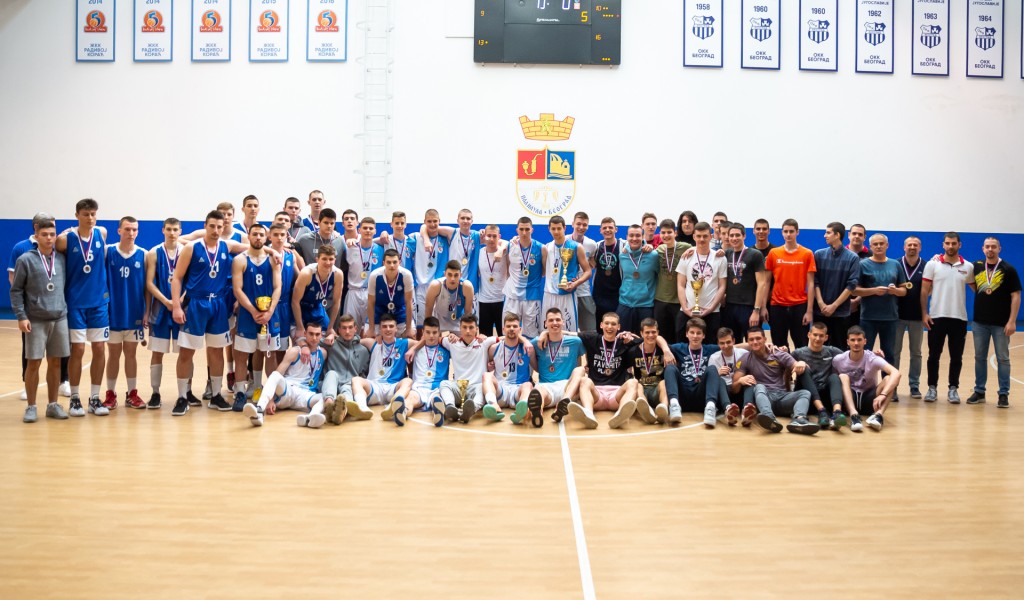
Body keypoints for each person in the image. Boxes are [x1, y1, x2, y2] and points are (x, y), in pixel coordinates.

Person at [170, 210, 250, 416]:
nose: (216, 230)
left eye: (219, 227)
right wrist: (177, 306)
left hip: (218, 304)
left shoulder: (227, 245)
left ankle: (216, 395)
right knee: (187, 352)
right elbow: (177, 278)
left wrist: (275, 251)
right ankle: (182, 397)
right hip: (195, 304)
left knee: (216, 351)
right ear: (205, 226)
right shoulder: (192, 247)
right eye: (212, 226)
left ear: (224, 228)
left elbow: (252, 247)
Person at [10, 216, 70, 423]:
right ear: (36, 236)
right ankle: (31, 406)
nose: (49, 238)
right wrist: (21, 316)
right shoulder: (25, 259)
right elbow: (16, 290)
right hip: (35, 319)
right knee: (33, 363)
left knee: (55, 363)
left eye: (52, 234)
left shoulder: (62, 259)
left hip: (59, 318)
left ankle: (53, 405)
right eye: (44, 235)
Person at [55, 198, 110, 416]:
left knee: (99, 349)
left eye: (93, 214)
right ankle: (75, 398)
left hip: (99, 302)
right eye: (86, 214)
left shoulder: (102, 233)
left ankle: (95, 398)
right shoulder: (65, 240)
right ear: (77, 215)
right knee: (77, 349)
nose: (90, 218)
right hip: (75, 302)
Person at [230, 224, 282, 411]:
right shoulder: (240, 260)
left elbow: (278, 287)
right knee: (242, 355)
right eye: (255, 234)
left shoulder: (273, 259)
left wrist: (269, 311)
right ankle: (240, 393)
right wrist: (253, 311)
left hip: (270, 314)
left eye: (261, 234)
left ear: (266, 237)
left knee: (270, 354)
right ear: (249, 236)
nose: (258, 237)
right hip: (247, 314)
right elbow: (237, 289)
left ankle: (268, 393)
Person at [920, 232, 975, 403]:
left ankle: (953, 389)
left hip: (959, 318)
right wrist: (924, 313)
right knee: (933, 355)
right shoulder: (932, 264)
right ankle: (932, 388)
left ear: (960, 245)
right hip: (936, 317)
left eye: (954, 243)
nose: (950, 246)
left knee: (956, 357)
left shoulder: (968, 267)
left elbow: (977, 290)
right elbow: (924, 291)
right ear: (943, 244)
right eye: (948, 243)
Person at [731, 328, 819, 435]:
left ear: (765, 339)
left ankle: (799, 419)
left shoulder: (777, 354)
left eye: (758, 338)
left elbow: (796, 365)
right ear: (748, 342)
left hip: (782, 397)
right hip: (764, 398)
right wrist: (740, 381)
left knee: (805, 393)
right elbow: (734, 389)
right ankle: (768, 417)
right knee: (759, 386)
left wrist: (800, 363)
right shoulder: (745, 359)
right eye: (751, 339)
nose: (755, 342)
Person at [241, 322, 328, 429]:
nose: (314, 338)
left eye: (317, 334)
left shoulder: (323, 353)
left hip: (306, 395)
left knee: (326, 397)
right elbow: (278, 373)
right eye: (311, 334)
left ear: (321, 335)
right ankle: (259, 410)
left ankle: (310, 418)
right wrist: (271, 400)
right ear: (305, 334)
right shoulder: (295, 351)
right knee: (275, 375)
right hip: (288, 390)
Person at [967, 237, 1021, 408]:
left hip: (1001, 324)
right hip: (979, 322)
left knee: (1003, 359)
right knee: (979, 357)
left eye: (993, 247)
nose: (990, 249)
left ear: (999, 249)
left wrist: (1012, 321)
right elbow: (971, 282)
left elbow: (1016, 296)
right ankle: (979, 391)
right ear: (983, 249)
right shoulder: (976, 266)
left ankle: (1003, 394)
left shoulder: (1008, 269)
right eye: (987, 247)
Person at [104, 216, 148, 409]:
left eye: (134, 229)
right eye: (127, 229)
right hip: (112, 313)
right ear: (119, 231)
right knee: (113, 354)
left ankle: (132, 393)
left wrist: (146, 312)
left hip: (134, 313)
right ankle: (110, 393)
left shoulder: (144, 255)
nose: (131, 233)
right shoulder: (108, 251)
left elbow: (147, 287)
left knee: (131, 354)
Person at [571, 314, 642, 429]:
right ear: (601, 325)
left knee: (633, 382)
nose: (610, 326)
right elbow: (569, 334)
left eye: (613, 324)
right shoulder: (593, 338)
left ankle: (620, 415)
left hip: (616, 395)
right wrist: (546, 333)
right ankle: (589, 415)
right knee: (584, 381)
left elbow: (645, 340)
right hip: (596, 395)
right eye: (607, 323)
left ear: (619, 327)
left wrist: (630, 335)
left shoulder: (624, 342)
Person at [144, 217, 183, 409]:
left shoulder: (187, 251)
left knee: (185, 352)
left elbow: (192, 281)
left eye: (175, 229)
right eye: (169, 229)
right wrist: (167, 301)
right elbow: (149, 283)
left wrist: (178, 302)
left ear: (180, 231)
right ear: (163, 230)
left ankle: (185, 393)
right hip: (160, 309)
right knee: (157, 352)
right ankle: (155, 393)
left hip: (181, 309)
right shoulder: (154, 253)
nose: (172, 233)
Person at [526, 308, 586, 427]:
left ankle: (564, 402)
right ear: (545, 323)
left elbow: (579, 362)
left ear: (563, 322)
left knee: (580, 370)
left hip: (567, 386)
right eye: (551, 320)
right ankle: (537, 412)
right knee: (538, 394)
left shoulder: (575, 342)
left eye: (558, 320)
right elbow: (535, 366)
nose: (555, 323)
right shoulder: (536, 343)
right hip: (546, 385)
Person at [833, 326, 901, 432]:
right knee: (842, 377)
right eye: (853, 340)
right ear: (848, 342)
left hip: (870, 400)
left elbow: (896, 373)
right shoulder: (838, 360)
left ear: (865, 341)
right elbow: (833, 382)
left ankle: (878, 415)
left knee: (889, 379)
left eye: (859, 340)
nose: (856, 343)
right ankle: (854, 416)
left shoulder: (873, 358)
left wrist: (883, 394)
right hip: (850, 399)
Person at [434, 315, 499, 423]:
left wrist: (524, 341)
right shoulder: (452, 342)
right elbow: (434, 338)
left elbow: (505, 338)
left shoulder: (483, 342)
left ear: (476, 329)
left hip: (476, 387)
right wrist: (450, 335)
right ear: (460, 328)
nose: (468, 331)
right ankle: (450, 407)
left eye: (471, 327)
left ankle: (471, 410)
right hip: (458, 387)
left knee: (483, 389)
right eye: (464, 327)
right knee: (443, 384)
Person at [347, 313, 413, 419]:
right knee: (356, 380)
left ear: (396, 328)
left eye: (391, 326)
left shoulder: (404, 343)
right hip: (375, 386)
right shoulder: (373, 343)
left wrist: (413, 349)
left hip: (393, 387)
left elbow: (424, 342)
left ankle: (394, 405)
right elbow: (351, 341)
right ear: (380, 329)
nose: (388, 329)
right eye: (384, 326)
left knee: (408, 381)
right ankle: (362, 408)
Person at [854, 234, 907, 365]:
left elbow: (903, 291)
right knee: (865, 353)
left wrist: (895, 291)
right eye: (875, 244)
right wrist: (874, 291)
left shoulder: (895, 264)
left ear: (887, 245)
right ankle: (864, 379)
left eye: (881, 244)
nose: (878, 246)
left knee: (889, 354)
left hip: (890, 318)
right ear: (870, 246)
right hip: (868, 318)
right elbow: (854, 290)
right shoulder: (862, 265)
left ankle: (889, 379)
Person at [764, 218, 816, 349]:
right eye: (785, 231)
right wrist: (763, 306)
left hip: (799, 305)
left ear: (797, 232)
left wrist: (809, 311)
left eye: (791, 231)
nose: (788, 234)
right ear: (782, 233)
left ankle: (799, 363)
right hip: (777, 305)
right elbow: (767, 281)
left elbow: (811, 284)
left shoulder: (807, 254)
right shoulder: (774, 253)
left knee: (801, 345)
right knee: (778, 345)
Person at [663, 318, 721, 427]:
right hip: (683, 396)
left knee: (712, 369)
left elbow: (730, 347)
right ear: (686, 334)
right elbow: (658, 338)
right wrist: (666, 351)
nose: (695, 336)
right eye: (692, 332)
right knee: (670, 368)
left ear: (703, 335)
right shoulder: (679, 348)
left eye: (699, 333)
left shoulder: (710, 349)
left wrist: (753, 345)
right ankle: (674, 405)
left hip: (701, 395)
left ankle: (710, 408)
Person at [482, 312, 537, 425]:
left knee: (528, 385)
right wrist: (489, 367)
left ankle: (520, 411)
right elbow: (487, 367)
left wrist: (531, 352)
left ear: (520, 329)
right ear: (503, 329)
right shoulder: (494, 349)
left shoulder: (527, 348)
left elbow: (537, 368)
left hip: (518, 391)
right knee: (486, 376)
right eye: (508, 326)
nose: (511, 329)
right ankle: (493, 406)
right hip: (501, 391)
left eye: (515, 326)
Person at [394, 317, 450, 427]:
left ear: (439, 333)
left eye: (434, 332)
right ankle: (402, 412)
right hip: (419, 388)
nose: (431, 336)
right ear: (423, 332)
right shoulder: (415, 347)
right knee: (410, 399)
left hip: (438, 388)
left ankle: (438, 413)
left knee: (437, 398)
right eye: (428, 332)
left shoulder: (446, 349)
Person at [676, 222, 727, 341]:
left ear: (711, 236)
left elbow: (722, 286)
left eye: (705, 236)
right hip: (688, 311)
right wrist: (685, 308)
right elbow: (680, 284)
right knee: (683, 345)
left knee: (711, 347)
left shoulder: (720, 258)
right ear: (694, 237)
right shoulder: (686, 256)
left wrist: (711, 308)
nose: (701, 239)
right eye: (698, 236)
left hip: (712, 312)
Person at [791, 322, 848, 431]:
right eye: (815, 335)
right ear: (809, 335)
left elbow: (851, 357)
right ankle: (821, 411)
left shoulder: (831, 351)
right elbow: (783, 366)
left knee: (834, 377)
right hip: (807, 396)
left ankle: (837, 413)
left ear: (826, 337)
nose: (817, 338)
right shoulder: (798, 353)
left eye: (821, 336)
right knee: (804, 369)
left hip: (824, 395)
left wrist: (875, 356)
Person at [813, 222, 860, 349]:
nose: (825, 235)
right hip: (820, 311)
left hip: (841, 313)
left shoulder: (853, 258)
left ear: (837, 235)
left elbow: (851, 285)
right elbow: (814, 281)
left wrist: (834, 306)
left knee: (839, 350)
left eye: (828, 233)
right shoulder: (819, 255)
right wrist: (821, 303)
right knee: (818, 349)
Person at [540, 216, 590, 333]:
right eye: (553, 229)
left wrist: (575, 284)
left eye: (559, 228)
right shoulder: (546, 247)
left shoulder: (576, 247)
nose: (556, 232)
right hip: (549, 295)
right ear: (549, 229)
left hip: (567, 294)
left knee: (570, 331)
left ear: (564, 228)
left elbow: (588, 272)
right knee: (547, 330)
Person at [320, 314, 371, 425]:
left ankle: (341, 412)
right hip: (331, 382)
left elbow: (364, 374)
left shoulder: (363, 351)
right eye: (344, 328)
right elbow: (307, 340)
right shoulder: (331, 344)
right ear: (339, 330)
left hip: (348, 384)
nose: (347, 331)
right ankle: (328, 405)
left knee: (348, 388)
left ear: (355, 329)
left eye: (350, 327)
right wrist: (329, 337)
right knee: (332, 373)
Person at [721, 222, 766, 343]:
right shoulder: (727, 254)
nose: (734, 238)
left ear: (744, 236)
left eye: (737, 235)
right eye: (731, 235)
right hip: (729, 306)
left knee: (754, 343)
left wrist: (756, 310)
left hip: (748, 307)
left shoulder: (755, 254)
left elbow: (762, 284)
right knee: (733, 343)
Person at [405, 209, 451, 328]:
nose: (432, 224)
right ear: (424, 222)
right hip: (421, 287)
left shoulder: (446, 238)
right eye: (429, 221)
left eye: (435, 221)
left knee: (439, 324)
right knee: (421, 324)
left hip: (439, 286)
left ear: (439, 221)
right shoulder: (416, 237)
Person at [893, 236, 925, 400]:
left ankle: (914, 385)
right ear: (904, 247)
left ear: (920, 247)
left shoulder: (926, 266)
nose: (912, 247)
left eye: (915, 245)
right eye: (909, 245)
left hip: (917, 316)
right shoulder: (895, 264)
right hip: (897, 316)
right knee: (894, 352)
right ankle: (893, 387)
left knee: (916, 353)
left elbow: (929, 288)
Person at [502, 217, 544, 338]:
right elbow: (507, 267)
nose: (524, 233)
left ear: (532, 230)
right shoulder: (510, 246)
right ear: (517, 230)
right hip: (512, 295)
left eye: (527, 229)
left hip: (532, 297)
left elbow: (544, 271)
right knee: (510, 331)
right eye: (521, 229)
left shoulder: (541, 248)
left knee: (532, 334)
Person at [291, 245, 345, 337]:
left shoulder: (338, 274)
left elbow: (337, 302)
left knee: (328, 337)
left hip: (316, 306)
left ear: (335, 260)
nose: (328, 262)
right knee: (300, 338)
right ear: (317, 260)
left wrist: (330, 327)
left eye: (331, 259)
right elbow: (295, 301)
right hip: (300, 307)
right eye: (324, 259)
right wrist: (300, 327)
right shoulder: (307, 273)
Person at [344, 217, 385, 333]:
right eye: (365, 228)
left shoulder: (380, 249)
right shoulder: (350, 248)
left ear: (375, 231)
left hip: (372, 292)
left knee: (370, 329)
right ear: (359, 230)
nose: (368, 230)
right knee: (350, 328)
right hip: (353, 291)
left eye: (371, 228)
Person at [618, 223, 660, 334]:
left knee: (644, 339)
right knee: (623, 338)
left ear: (642, 237)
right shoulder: (622, 255)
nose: (634, 238)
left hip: (645, 305)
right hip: (625, 303)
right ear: (627, 237)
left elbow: (660, 276)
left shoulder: (653, 255)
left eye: (637, 235)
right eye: (631, 235)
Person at [628, 318, 671, 425]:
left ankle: (664, 408)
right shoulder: (633, 352)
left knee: (664, 382)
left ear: (658, 332)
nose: (651, 335)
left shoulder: (664, 350)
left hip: (658, 390)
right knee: (637, 385)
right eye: (647, 332)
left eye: (653, 332)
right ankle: (647, 411)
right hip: (642, 390)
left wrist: (667, 350)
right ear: (641, 333)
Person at [653, 219, 689, 344]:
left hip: (678, 301)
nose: (666, 235)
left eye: (669, 232)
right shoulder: (659, 249)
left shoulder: (685, 247)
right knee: (662, 333)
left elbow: (700, 250)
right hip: (660, 299)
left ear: (675, 233)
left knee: (679, 333)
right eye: (663, 232)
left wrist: (694, 249)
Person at [707, 327, 750, 427]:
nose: (725, 346)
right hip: (724, 392)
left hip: (739, 389)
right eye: (722, 343)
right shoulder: (714, 357)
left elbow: (755, 346)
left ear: (734, 341)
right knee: (719, 380)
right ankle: (728, 409)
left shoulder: (743, 353)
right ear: (718, 344)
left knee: (750, 380)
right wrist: (717, 373)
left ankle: (747, 410)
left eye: (728, 342)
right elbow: (710, 381)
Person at [367, 248, 415, 337]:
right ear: (383, 263)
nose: (392, 265)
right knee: (368, 337)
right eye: (388, 262)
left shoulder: (406, 275)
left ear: (399, 262)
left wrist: (408, 329)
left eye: (394, 262)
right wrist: (371, 328)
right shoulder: (375, 276)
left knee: (411, 336)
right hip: (379, 313)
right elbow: (370, 303)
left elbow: (408, 302)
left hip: (400, 312)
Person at [425, 260, 475, 334]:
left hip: (458, 323)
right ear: (445, 274)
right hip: (439, 323)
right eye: (450, 275)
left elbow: (468, 313)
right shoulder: (436, 285)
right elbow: (428, 308)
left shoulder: (467, 287)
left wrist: (467, 331)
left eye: (456, 275)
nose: (452, 279)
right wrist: (427, 329)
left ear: (460, 275)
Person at [476, 224, 508, 336]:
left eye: (494, 236)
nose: (491, 239)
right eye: (488, 236)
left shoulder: (505, 252)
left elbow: (509, 242)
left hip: (502, 300)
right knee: (485, 338)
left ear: (499, 237)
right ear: (484, 236)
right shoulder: (479, 253)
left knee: (503, 336)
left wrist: (500, 249)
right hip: (484, 301)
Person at [592, 217, 625, 323]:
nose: (607, 230)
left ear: (616, 229)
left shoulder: (624, 245)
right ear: (600, 230)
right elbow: (589, 262)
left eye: (610, 227)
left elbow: (639, 243)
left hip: (618, 294)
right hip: (600, 294)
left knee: (617, 324)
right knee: (600, 324)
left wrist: (648, 246)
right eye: (604, 228)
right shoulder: (596, 247)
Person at [569, 212, 599, 332]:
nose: (581, 227)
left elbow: (592, 261)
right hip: (566, 290)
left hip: (583, 291)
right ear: (572, 224)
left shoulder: (592, 244)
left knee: (590, 330)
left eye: (584, 225)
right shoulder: (563, 241)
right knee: (566, 328)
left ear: (588, 226)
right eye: (578, 224)